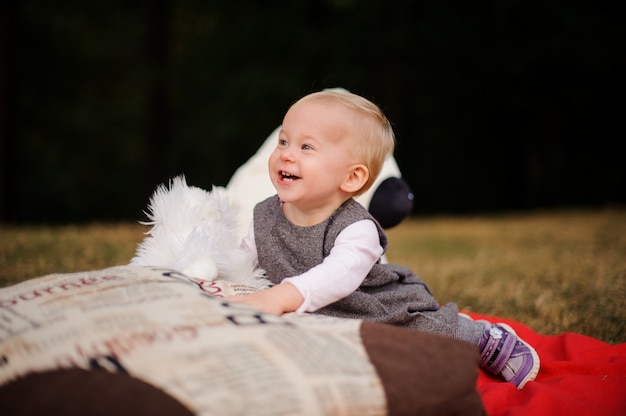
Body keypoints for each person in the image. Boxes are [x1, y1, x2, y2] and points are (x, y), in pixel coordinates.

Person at [227, 89, 540, 389]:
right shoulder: (264, 216)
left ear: (352, 177)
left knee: (421, 336)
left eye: (306, 147)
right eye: (283, 141)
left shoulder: (356, 228)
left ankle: (482, 337)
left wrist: (281, 297)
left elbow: (339, 275)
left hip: (374, 305)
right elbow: (245, 262)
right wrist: (225, 284)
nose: (286, 155)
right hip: (315, 314)